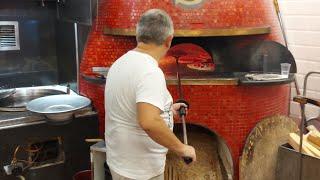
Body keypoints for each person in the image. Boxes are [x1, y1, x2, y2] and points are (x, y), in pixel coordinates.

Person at [105, 9, 196, 180]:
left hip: (121, 163)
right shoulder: (150, 72)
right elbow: (149, 122)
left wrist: (168, 110)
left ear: (138, 34)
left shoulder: (120, 63)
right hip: (141, 172)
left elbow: (131, 106)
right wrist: (182, 148)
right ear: (169, 40)